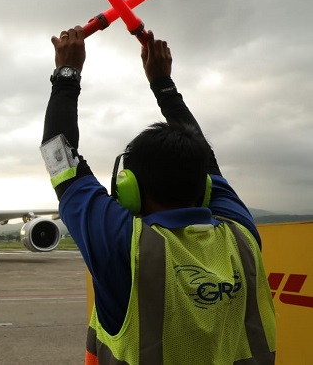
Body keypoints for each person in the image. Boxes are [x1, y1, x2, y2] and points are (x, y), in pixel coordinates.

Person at [40, 27, 276, 364]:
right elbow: (204, 157)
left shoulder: (126, 246)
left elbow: (57, 153)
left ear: (129, 190)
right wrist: (163, 85)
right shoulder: (242, 237)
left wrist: (67, 73)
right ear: (206, 188)